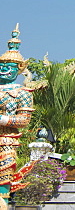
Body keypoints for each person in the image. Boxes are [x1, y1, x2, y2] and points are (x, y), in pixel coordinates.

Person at [0, 26, 33, 209]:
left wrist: (4, 120)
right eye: (1, 66)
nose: (4, 70)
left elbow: (24, 120)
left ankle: (3, 202)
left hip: (7, 140)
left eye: (8, 67)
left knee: (3, 174)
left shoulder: (22, 92)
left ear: (19, 69)